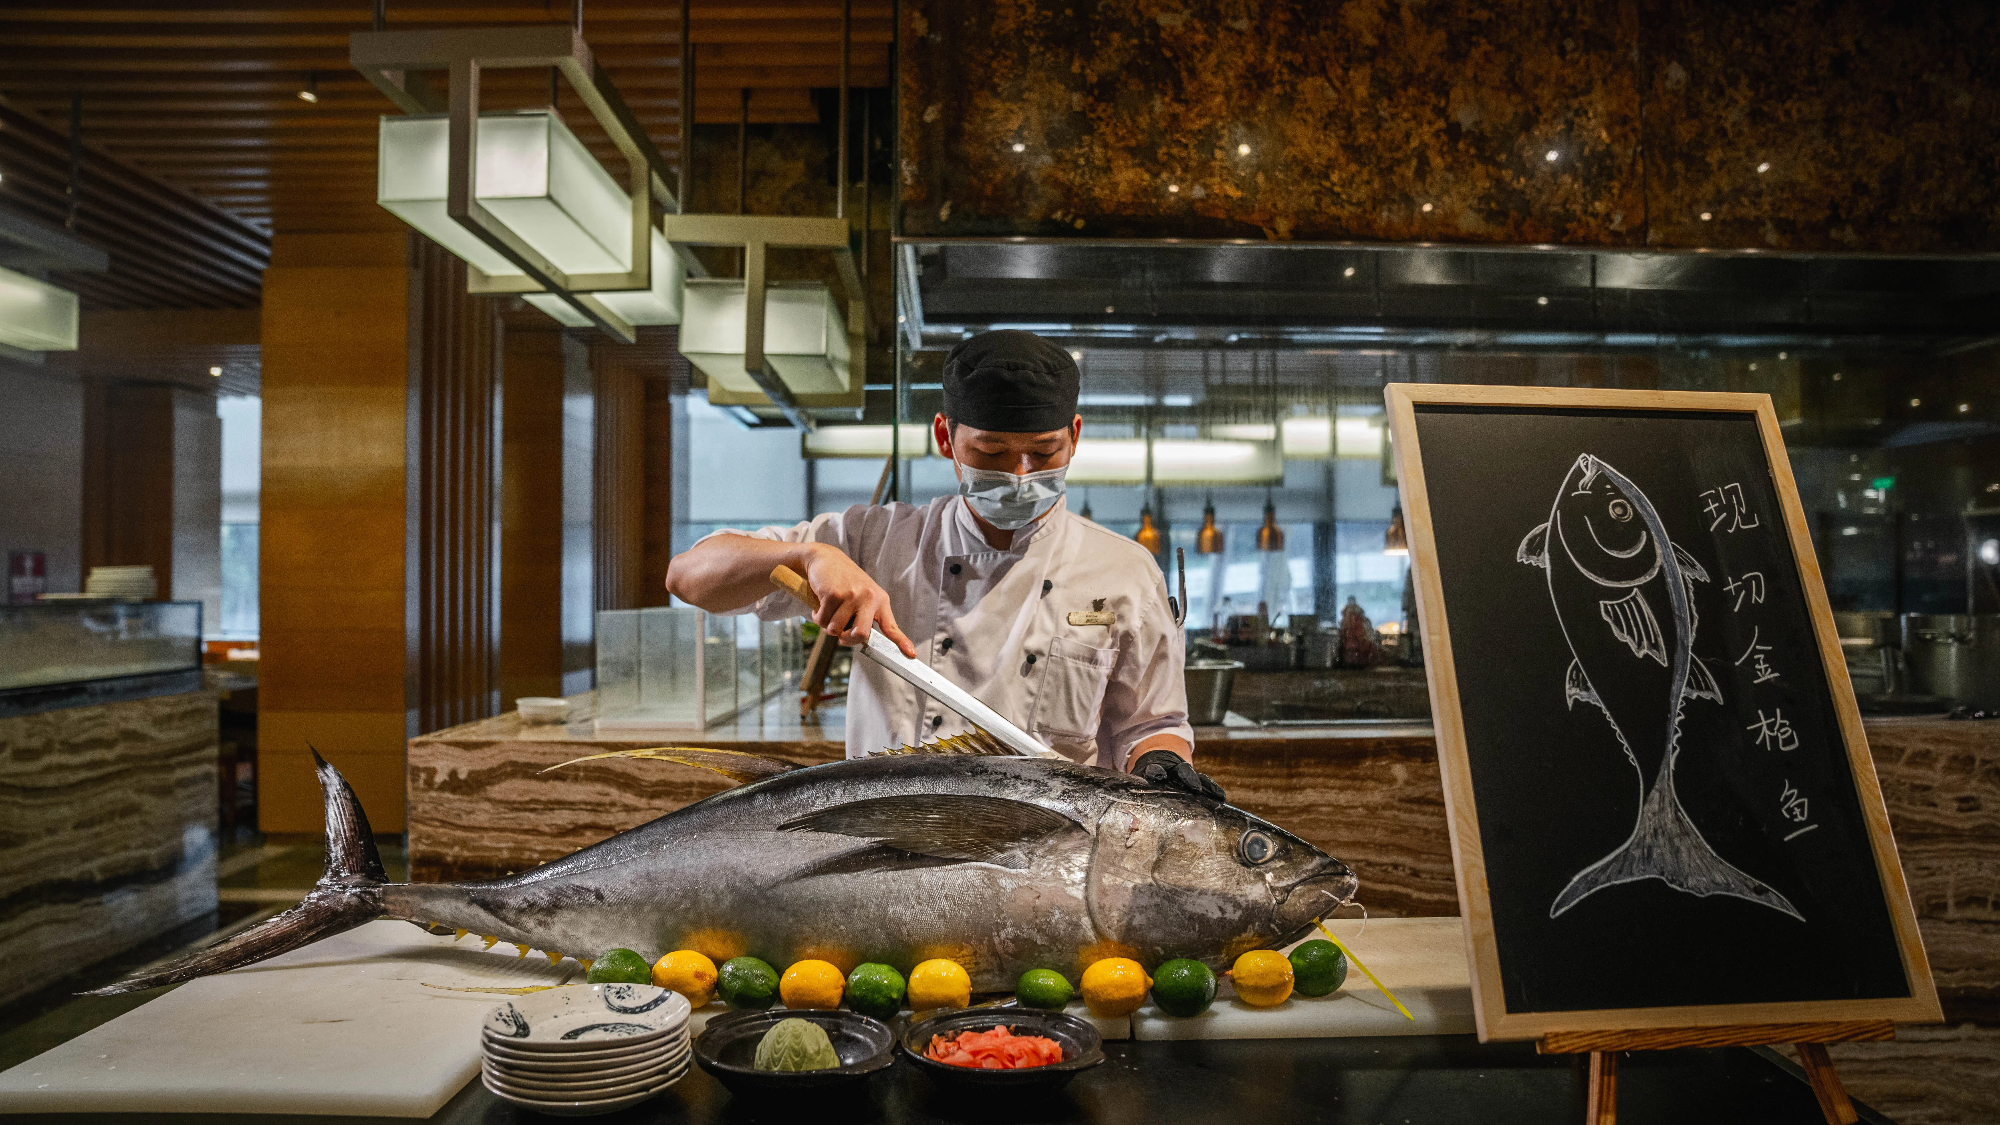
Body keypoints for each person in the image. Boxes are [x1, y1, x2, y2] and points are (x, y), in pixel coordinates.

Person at [666, 329, 1223, 800]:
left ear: (1073, 438)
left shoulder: (1123, 571)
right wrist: (809, 555)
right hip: (889, 845)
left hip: (1050, 862)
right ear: (945, 438)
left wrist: (1159, 764)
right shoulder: (873, 541)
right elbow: (688, 576)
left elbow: (1152, 725)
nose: (1021, 475)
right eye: (992, 453)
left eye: (1044, 452)